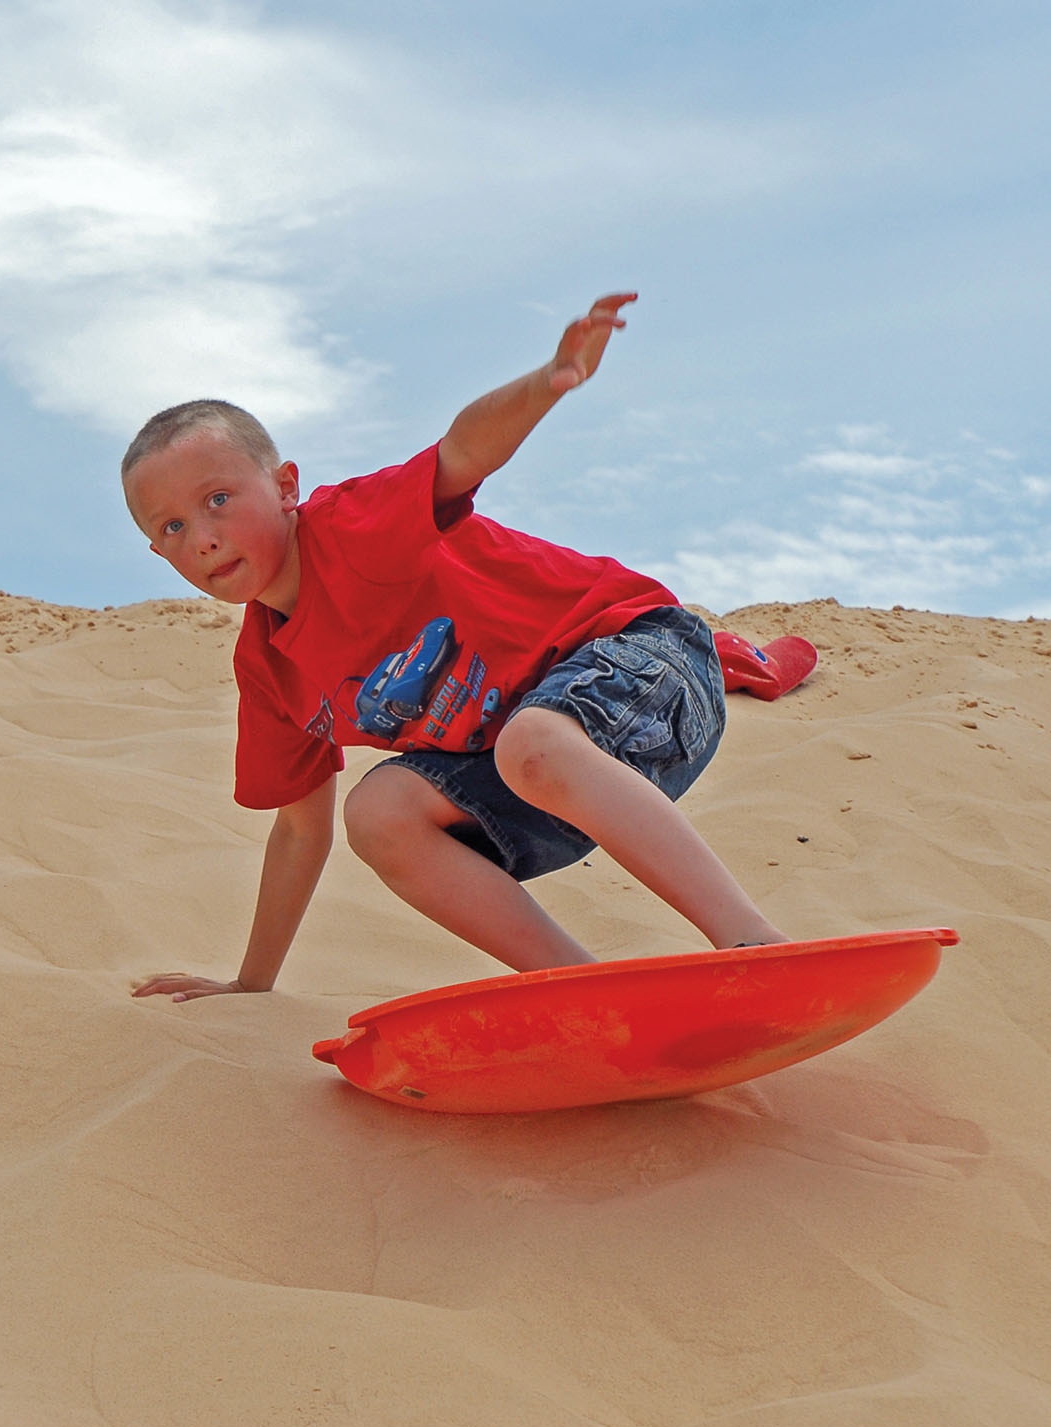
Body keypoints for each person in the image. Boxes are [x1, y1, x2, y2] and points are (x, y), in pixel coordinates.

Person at [123, 293, 790, 1004]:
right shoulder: (271, 671)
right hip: (540, 778)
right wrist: (250, 984)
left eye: (218, 498)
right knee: (377, 814)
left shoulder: (352, 526)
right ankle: (588, 992)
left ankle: (754, 944)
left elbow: (462, 452)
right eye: (168, 528)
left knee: (533, 738)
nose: (200, 537)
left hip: (646, 661)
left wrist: (548, 380)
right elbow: (298, 830)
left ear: (286, 486)